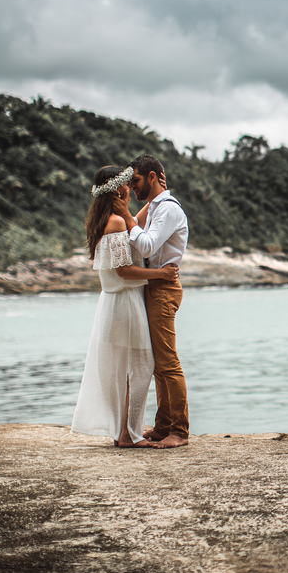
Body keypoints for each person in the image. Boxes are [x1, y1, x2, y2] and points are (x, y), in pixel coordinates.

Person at [71, 164, 179, 448]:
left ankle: (124, 432)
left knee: (125, 369)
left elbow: (137, 218)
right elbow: (124, 270)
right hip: (125, 301)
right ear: (117, 189)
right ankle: (129, 434)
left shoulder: (109, 219)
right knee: (140, 367)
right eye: (127, 184)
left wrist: (159, 191)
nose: (131, 188)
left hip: (114, 301)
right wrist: (160, 274)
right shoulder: (117, 223)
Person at [111, 154, 191, 449]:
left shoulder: (168, 208)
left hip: (164, 288)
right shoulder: (156, 206)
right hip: (153, 286)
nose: (132, 187)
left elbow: (146, 245)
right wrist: (128, 213)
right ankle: (163, 425)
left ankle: (179, 431)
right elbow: (134, 227)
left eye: (136, 181)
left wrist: (126, 214)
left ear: (153, 177)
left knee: (168, 362)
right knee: (158, 363)